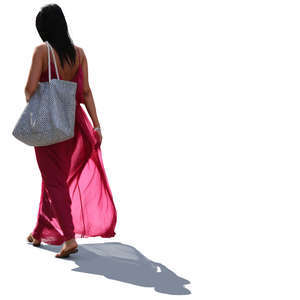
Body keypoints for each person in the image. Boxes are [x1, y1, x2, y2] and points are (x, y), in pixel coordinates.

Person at [24, 4, 117, 258]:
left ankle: (68, 238)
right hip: (74, 125)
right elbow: (86, 92)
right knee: (53, 177)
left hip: (49, 124)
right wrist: (96, 124)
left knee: (54, 180)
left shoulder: (42, 52)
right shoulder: (79, 54)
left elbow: (29, 90)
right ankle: (40, 230)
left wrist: (38, 110)